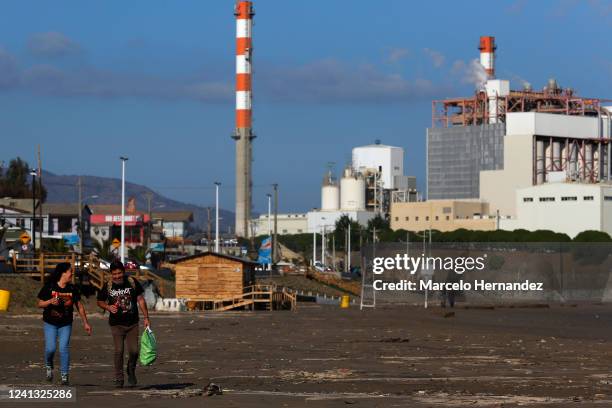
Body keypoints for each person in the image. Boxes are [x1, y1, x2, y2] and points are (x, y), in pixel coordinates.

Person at [97, 260, 150, 388]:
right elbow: (99, 301)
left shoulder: (131, 282)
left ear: (123, 271)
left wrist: (146, 317)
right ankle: (119, 378)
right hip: (116, 324)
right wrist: (108, 307)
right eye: (114, 274)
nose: (117, 276)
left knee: (134, 351)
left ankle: (130, 370)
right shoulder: (108, 285)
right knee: (118, 351)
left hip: (132, 323)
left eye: (119, 273)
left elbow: (140, 299)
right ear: (111, 274)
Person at [37, 262, 92, 385]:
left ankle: (64, 376)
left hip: (65, 324)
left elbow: (80, 307)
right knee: (50, 349)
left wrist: (86, 323)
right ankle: (49, 366)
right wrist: (50, 301)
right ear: (63, 273)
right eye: (70, 271)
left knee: (63, 348)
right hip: (50, 323)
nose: (72, 273)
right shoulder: (49, 287)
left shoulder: (72, 289)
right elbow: (40, 304)